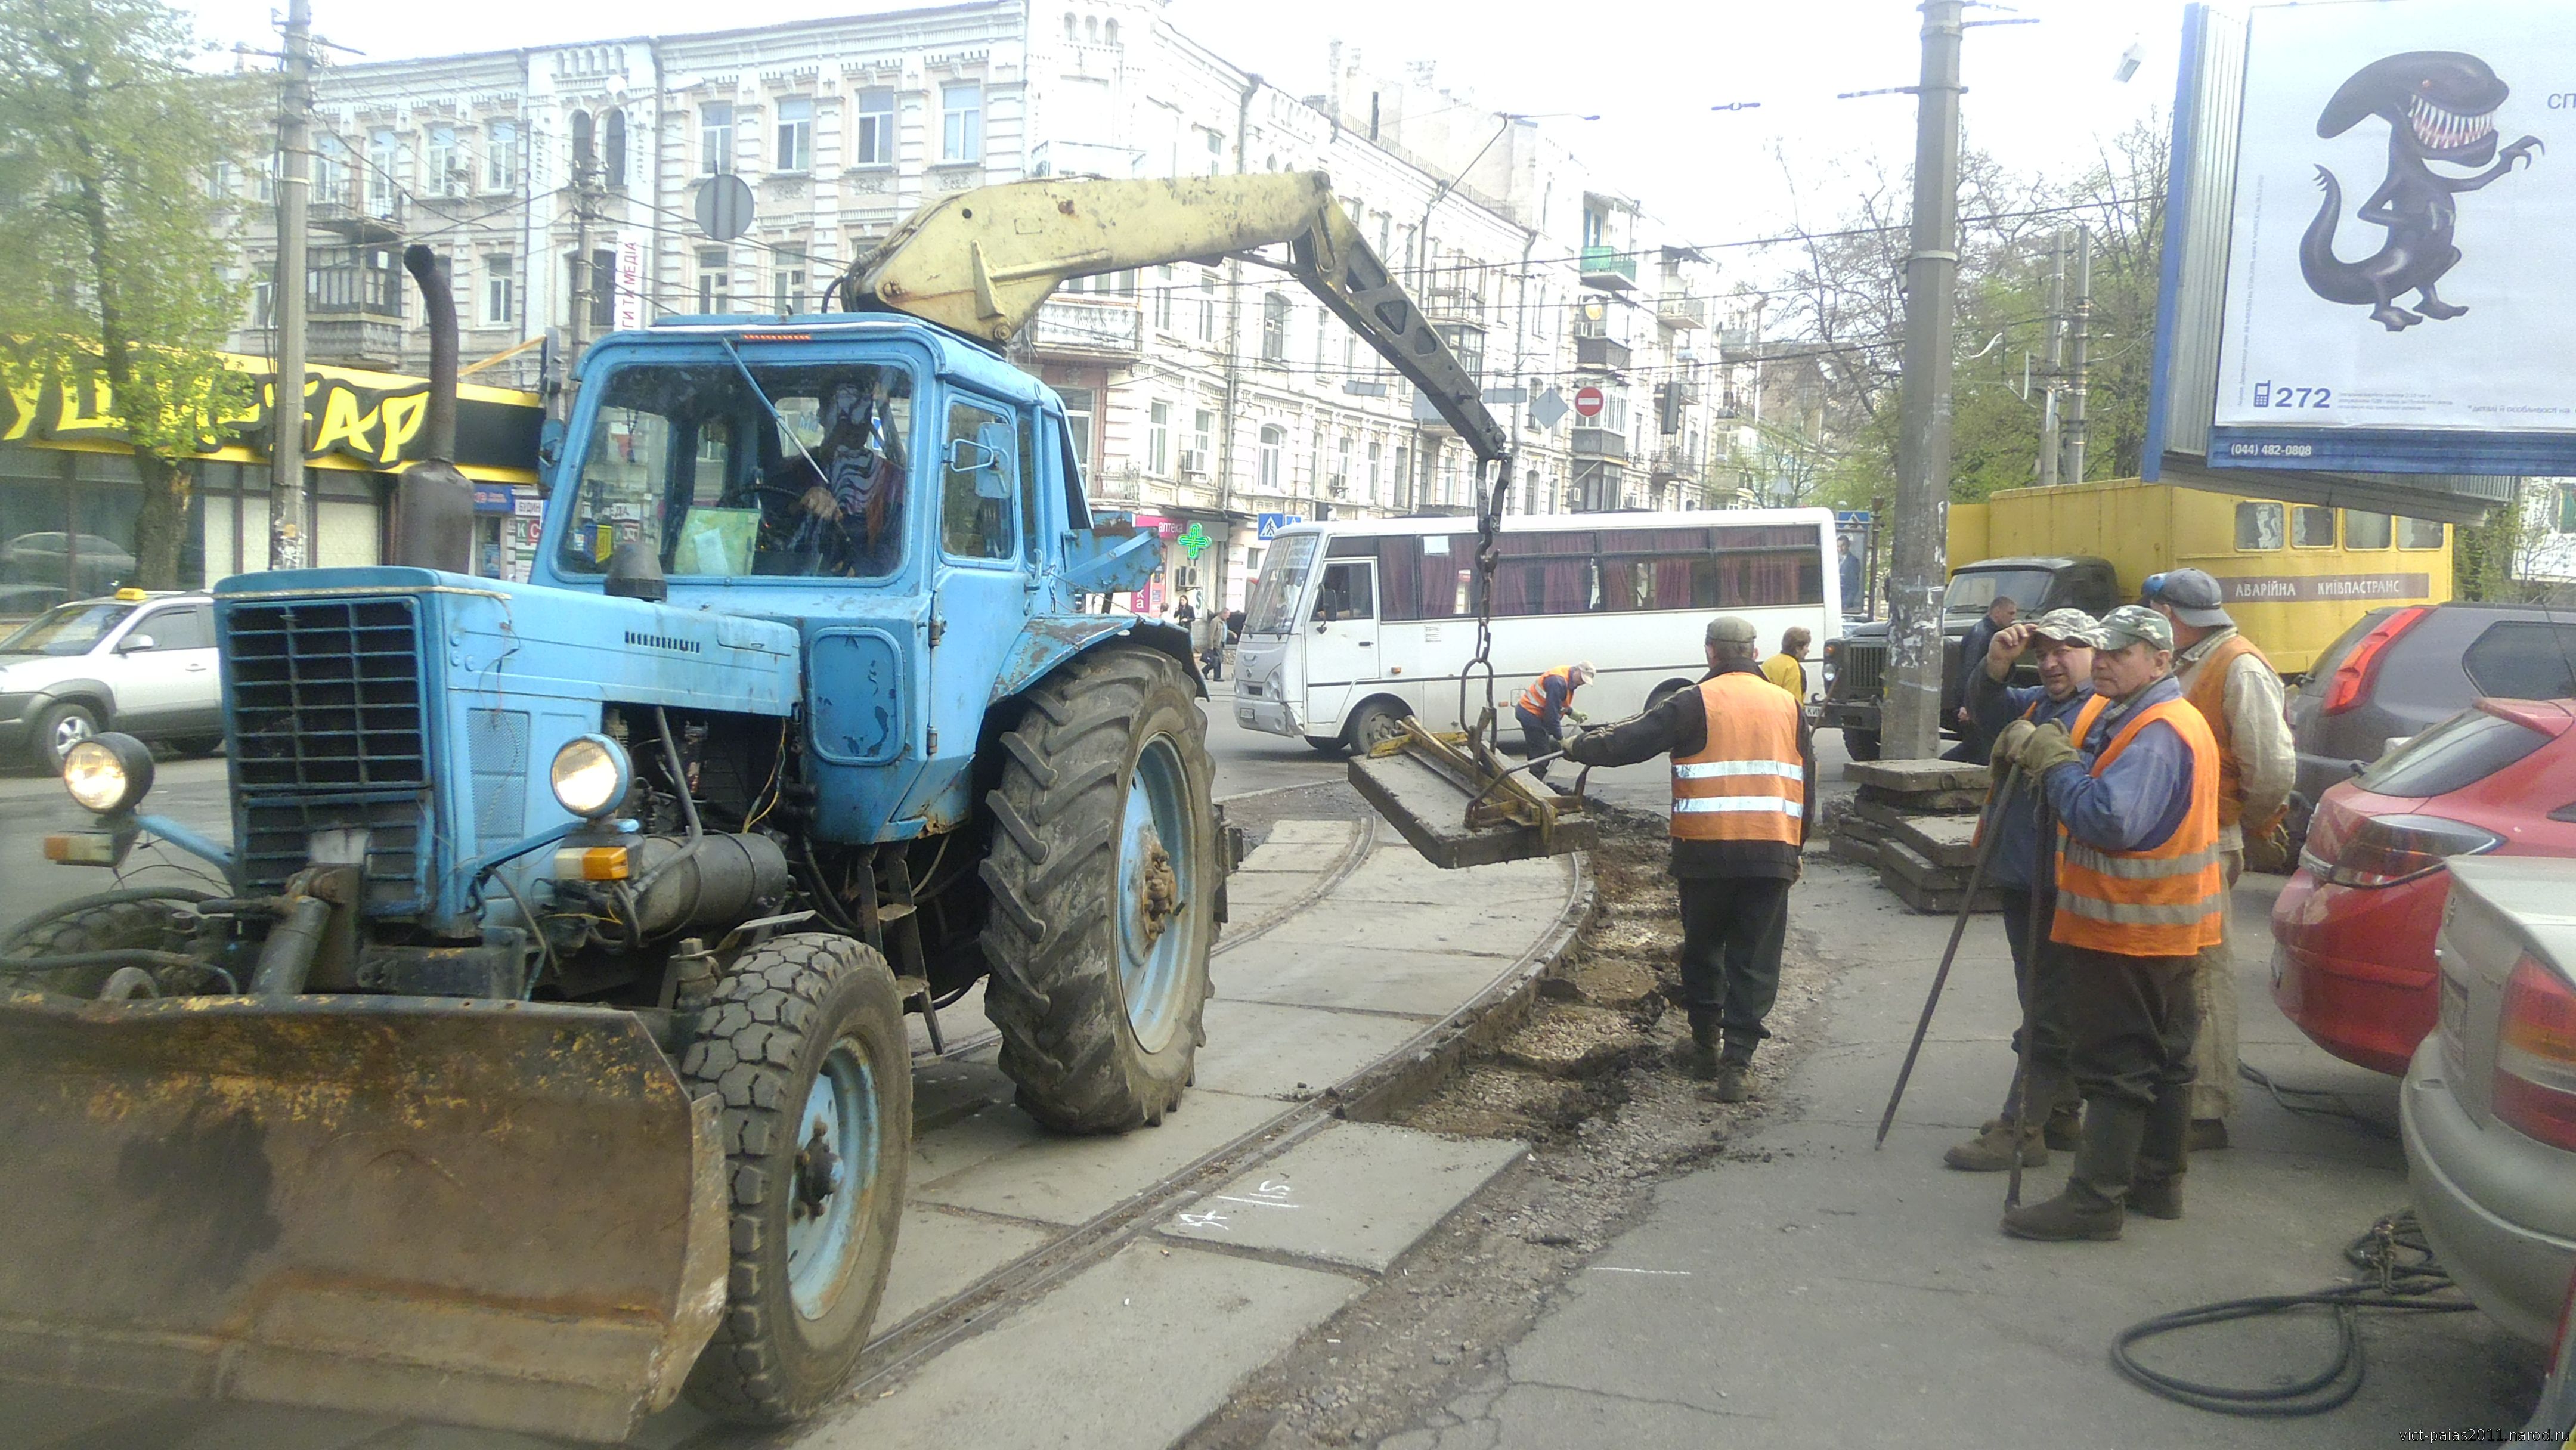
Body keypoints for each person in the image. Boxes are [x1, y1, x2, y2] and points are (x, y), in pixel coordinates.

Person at [1992, 606, 2225, 1241]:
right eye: (2103, 650)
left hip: (2132, 927)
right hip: (2169, 923)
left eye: (2120, 652)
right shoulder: (2157, 718)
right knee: (2169, 1057)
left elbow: (2109, 819)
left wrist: (2056, 764)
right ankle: (2158, 1180)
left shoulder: (2157, 731)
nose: (2103, 661)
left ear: (2159, 659)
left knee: (2119, 1064)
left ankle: (2095, 1201)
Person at [1562, 618, 1818, 1102]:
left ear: (1711, 653)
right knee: (1755, 958)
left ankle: (1705, 1048)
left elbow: (1633, 740)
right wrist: (1797, 848)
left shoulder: (1695, 701)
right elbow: (1808, 782)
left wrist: (1580, 747)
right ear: (1754, 651)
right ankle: (1737, 1066)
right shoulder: (1789, 706)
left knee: (1705, 950)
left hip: (1706, 855)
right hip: (1771, 853)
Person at [1943, 608, 2104, 1172]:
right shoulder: (2038, 701)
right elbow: (1985, 715)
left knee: (2049, 1002)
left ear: (2096, 653)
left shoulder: (2100, 713)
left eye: (2067, 650)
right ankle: (2059, 1110)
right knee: (2040, 993)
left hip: (2063, 881)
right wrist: (1994, 666)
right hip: (2023, 874)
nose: (2054, 661)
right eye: (2046, 652)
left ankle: (2022, 1127)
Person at [2144, 568, 2293, 1151]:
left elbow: (2274, 766)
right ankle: (2182, 1091)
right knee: (2184, 965)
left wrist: (2250, 820)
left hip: (2212, 833)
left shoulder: (2237, 664)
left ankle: (2204, 1107)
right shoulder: (2193, 658)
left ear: (2174, 615)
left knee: (2204, 967)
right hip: (2189, 832)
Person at [1943, 596, 2020, 763]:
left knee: (1974, 745)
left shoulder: (1988, 632)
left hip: (1976, 700)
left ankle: (1942, 766)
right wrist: (1967, 705)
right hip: (1973, 701)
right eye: (2011, 613)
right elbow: (1969, 669)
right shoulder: (1982, 634)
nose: (2014, 618)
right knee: (1979, 745)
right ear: (1997, 612)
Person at [1514, 662, 1596, 781]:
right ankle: (1538, 781)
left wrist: (1572, 712)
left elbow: (1558, 703)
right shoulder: (1557, 682)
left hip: (1535, 713)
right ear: (1577, 671)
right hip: (1530, 713)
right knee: (1542, 751)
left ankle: (1537, 777)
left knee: (1538, 747)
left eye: (1585, 681)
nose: (1581, 683)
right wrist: (1561, 739)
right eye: (1582, 679)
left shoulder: (1569, 676)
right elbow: (1552, 716)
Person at [1761, 628, 1812, 698]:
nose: (1808, 651)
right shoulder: (1793, 667)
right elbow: (1793, 700)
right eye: (1806, 646)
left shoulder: (1768, 663)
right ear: (1798, 649)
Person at [1839, 535, 1865, 616]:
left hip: (1846, 604)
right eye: (1838, 546)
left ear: (1848, 545)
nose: (1840, 549)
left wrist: (1846, 603)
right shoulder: (1837, 560)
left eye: (1843, 545)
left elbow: (1854, 586)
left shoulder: (1853, 561)